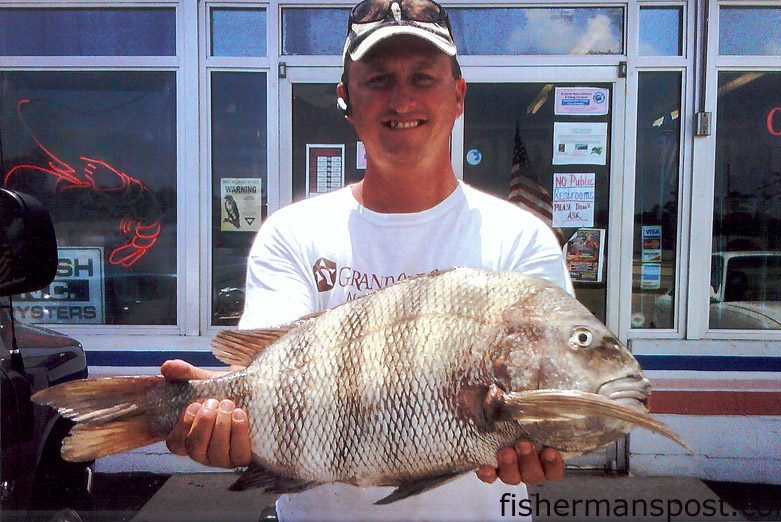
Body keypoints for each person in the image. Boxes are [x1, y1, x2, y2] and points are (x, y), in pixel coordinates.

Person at [161, 0, 572, 519]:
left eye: (423, 77)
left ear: (458, 94)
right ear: (346, 99)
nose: (402, 99)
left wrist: (546, 438)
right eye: (378, 79)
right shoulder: (293, 234)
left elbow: (546, 394)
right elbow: (261, 380)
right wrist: (212, 416)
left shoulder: (522, 239)